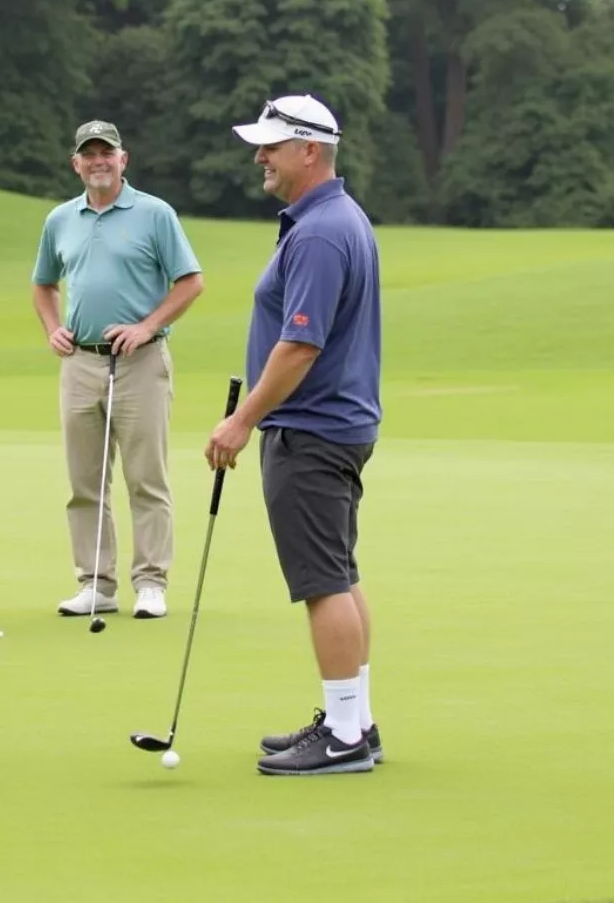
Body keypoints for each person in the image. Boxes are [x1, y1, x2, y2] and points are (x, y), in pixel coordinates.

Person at [204, 94, 383, 777]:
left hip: (311, 428)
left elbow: (298, 346)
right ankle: (355, 720)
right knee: (339, 573)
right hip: (336, 422)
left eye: (272, 146)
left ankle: (342, 737)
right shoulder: (337, 218)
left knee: (322, 583)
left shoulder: (317, 232)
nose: (260, 157)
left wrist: (240, 421)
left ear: (309, 150)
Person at [32, 120, 204, 621]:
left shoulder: (154, 214)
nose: (98, 161)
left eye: (107, 152)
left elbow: (190, 281)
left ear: (122, 159)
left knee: (146, 478)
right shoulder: (61, 219)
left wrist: (148, 326)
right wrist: (52, 328)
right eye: (89, 154)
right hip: (80, 362)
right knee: (85, 482)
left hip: (140, 363)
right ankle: (95, 583)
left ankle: (151, 582)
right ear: (76, 164)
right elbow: (44, 284)